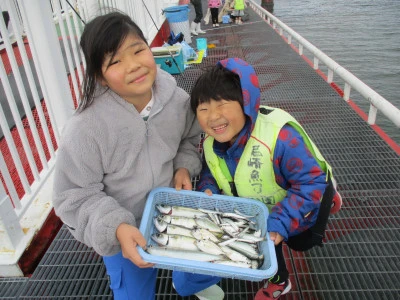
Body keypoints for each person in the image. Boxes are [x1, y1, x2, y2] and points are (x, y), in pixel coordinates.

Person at [52, 12, 224, 300]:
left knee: (196, 262)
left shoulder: (177, 100)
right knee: (133, 292)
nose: (133, 65)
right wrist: (116, 228)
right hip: (123, 229)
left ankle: (190, 283)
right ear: (100, 77)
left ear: (149, 48)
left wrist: (183, 167)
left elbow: (189, 138)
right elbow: (74, 196)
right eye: (115, 61)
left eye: (137, 50)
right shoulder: (86, 129)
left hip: (173, 212)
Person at [190, 58, 342, 300]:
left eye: (222, 105)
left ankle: (329, 194)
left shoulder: (280, 138)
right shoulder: (210, 144)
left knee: (302, 242)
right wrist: (208, 188)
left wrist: (281, 221)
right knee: (268, 240)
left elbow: (310, 182)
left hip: (304, 192)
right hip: (259, 210)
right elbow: (210, 170)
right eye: (203, 109)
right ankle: (280, 280)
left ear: (246, 104)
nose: (213, 117)